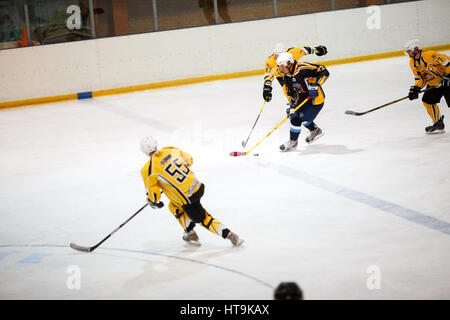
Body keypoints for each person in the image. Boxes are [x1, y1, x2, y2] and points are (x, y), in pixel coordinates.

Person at [140, 136, 244, 247]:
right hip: (197, 186)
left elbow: (154, 196)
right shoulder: (171, 149)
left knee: (204, 219)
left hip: (188, 198)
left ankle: (231, 235)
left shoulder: (148, 169)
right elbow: (189, 160)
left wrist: (152, 202)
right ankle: (190, 232)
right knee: (174, 206)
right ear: (156, 144)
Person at [275, 52, 330, 152]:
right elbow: (291, 93)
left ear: (289, 63)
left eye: (282, 67)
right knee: (294, 115)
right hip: (302, 99)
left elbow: (324, 71)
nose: (281, 69)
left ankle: (295, 141)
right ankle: (312, 132)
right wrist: (291, 106)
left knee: (300, 117)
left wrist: (317, 85)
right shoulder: (287, 76)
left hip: (315, 100)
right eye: (280, 67)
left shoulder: (303, 68)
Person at [405, 39, 449, 134]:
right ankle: (438, 123)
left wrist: (448, 76)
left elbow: (447, 62)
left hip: (447, 81)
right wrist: (416, 88)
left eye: (409, 50)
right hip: (434, 84)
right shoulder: (412, 62)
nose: (408, 53)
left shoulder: (429, 55)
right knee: (427, 101)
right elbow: (420, 78)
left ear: (416, 49)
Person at [263, 43, 327, 104]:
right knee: (288, 92)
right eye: (277, 55)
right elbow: (269, 75)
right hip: (281, 76)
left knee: (300, 88)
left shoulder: (293, 52)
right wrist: (267, 87)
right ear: (274, 54)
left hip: (293, 72)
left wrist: (317, 50)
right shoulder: (270, 61)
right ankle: (293, 105)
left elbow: (305, 50)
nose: (279, 57)